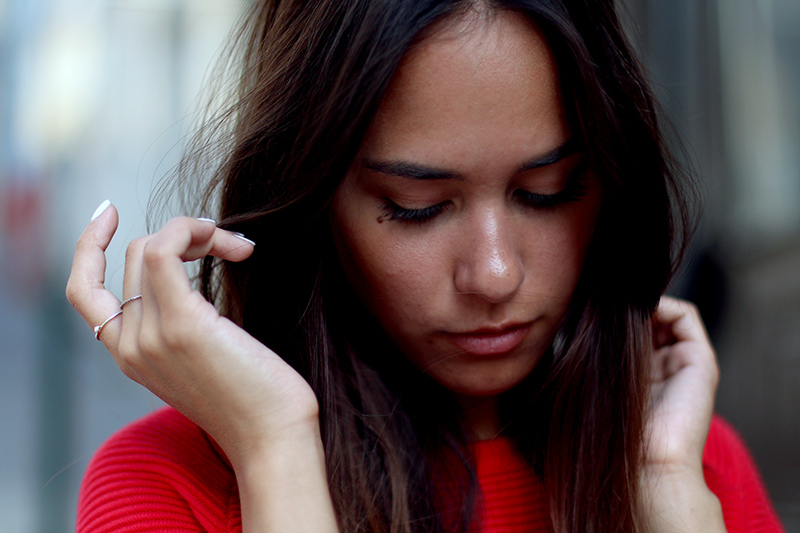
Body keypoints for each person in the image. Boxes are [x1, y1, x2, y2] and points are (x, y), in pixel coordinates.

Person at [66, 0, 784, 531]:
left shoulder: (688, 464)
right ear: (313, 198)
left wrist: (667, 492)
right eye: (417, 205)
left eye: (547, 192)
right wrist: (274, 448)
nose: (496, 273)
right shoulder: (167, 483)